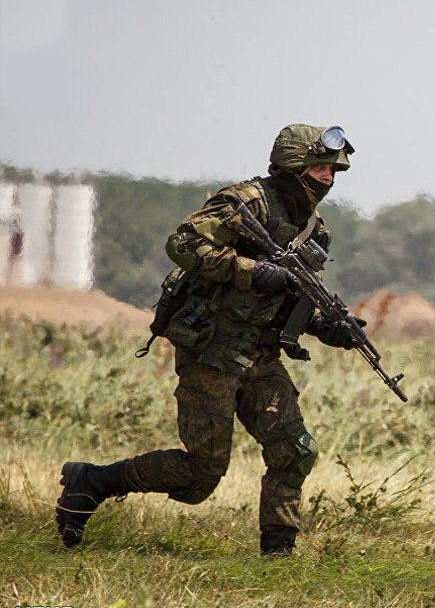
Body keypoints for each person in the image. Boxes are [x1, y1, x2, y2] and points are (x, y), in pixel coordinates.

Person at [56, 124, 365, 556]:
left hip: (260, 354)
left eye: (333, 170)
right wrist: (250, 271)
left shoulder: (314, 228)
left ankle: (278, 556)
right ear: (294, 165)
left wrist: (327, 325)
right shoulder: (245, 202)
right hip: (212, 350)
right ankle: (92, 482)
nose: (328, 178)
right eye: (319, 167)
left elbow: (291, 297)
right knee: (201, 474)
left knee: (294, 451)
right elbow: (182, 244)